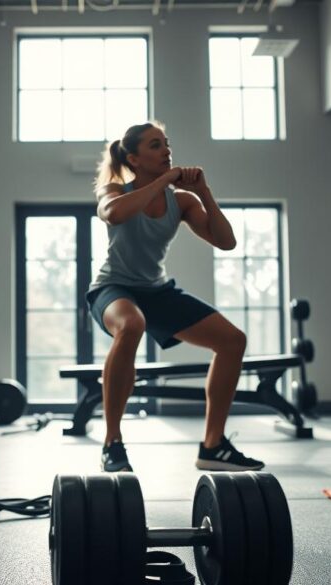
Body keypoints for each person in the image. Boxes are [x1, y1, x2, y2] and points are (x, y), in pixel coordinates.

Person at [88, 121, 265, 473]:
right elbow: (115, 213)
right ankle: (112, 442)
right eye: (156, 146)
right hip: (114, 289)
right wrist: (164, 181)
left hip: (158, 290)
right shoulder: (114, 190)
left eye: (167, 144)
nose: (167, 151)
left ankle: (213, 446)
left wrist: (204, 192)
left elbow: (226, 241)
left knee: (232, 341)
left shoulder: (180, 201)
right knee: (132, 324)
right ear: (134, 159)